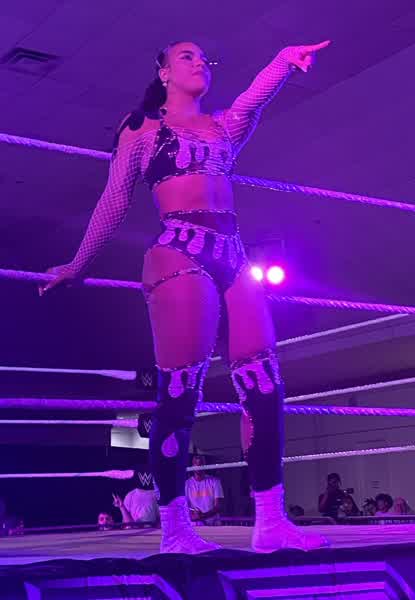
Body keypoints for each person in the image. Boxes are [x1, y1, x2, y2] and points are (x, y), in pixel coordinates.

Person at [40, 38, 330, 554]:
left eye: (204, 58)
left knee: (265, 383)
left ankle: (271, 521)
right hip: (179, 249)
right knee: (180, 391)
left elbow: (252, 100)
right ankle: (175, 529)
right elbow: (114, 200)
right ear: (164, 72)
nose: (199, 63)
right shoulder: (141, 129)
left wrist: (283, 60)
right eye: (186, 57)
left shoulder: (223, 127)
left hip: (233, 253)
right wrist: (77, 264)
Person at [185, 455, 224, 525]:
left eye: (201, 464)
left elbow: (218, 506)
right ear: (192, 466)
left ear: (205, 465)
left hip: (213, 525)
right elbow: (185, 507)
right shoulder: (187, 484)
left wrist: (203, 516)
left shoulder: (215, 481)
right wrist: (193, 516)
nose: (198, 466)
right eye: (196, 463)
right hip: (196, 525)